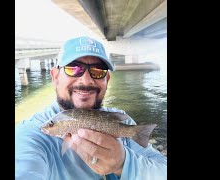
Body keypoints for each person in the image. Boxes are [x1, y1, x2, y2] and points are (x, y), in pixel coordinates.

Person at [15, 36, 167, 180]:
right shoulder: (31, 134)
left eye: (98, 71)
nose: (86, 80)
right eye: (73, 68)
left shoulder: (122, 121)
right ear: (55, 77)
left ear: (107, 80)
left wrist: (124, 162)